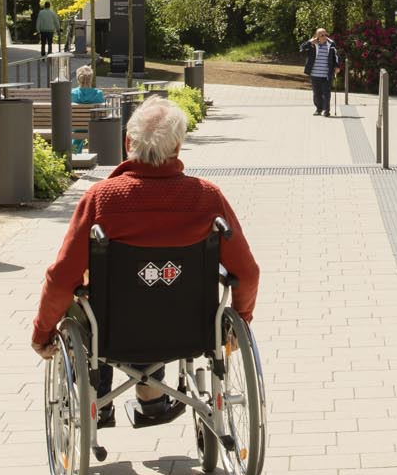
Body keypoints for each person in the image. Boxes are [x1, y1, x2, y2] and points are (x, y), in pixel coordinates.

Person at [31, 96, 260, 428]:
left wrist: (42, 331)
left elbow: (62, 276)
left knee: (83, 302)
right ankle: (152, 398)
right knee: (164, 295)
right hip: (189, 329)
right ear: (178, 147)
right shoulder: (207, 197)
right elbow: (247, 272)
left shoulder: (101, 199)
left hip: (112, 330)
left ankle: (99, 399)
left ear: (128, 143)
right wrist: (241, 318)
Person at [300, 27, 341, 117]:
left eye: (325, 34)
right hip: (315, 73)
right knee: (317, 93)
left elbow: (336, 56)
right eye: (321, 35)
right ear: (317, 36)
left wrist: (337, 66)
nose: (324, 36)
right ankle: (319, 109)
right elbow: (301, 48)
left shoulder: (331, 44)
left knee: (326, 93)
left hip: (326, 73)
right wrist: (309, 43)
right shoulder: (312, 44)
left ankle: (326, 110)